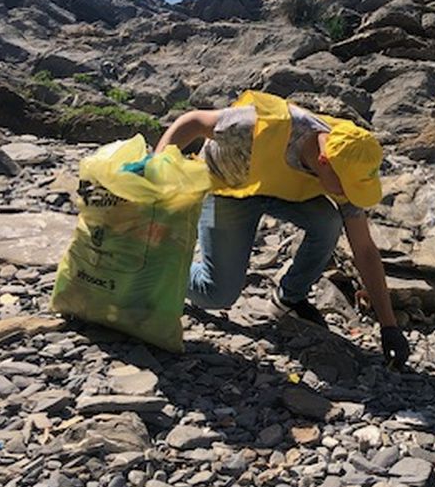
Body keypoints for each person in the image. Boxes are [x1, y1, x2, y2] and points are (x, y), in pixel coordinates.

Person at [154, 89, 410, 368]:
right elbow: (192, 122)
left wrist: (389, 326)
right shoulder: (256, 127)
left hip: (286, 192)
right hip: (228, 188)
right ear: (324, 162)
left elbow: (364, 249)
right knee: (217, 294)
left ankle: (288, 300)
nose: (349, 194)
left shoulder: (349, 159)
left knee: (328, 222)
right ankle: (161, 267)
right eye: (346, 187)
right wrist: (154, 169)